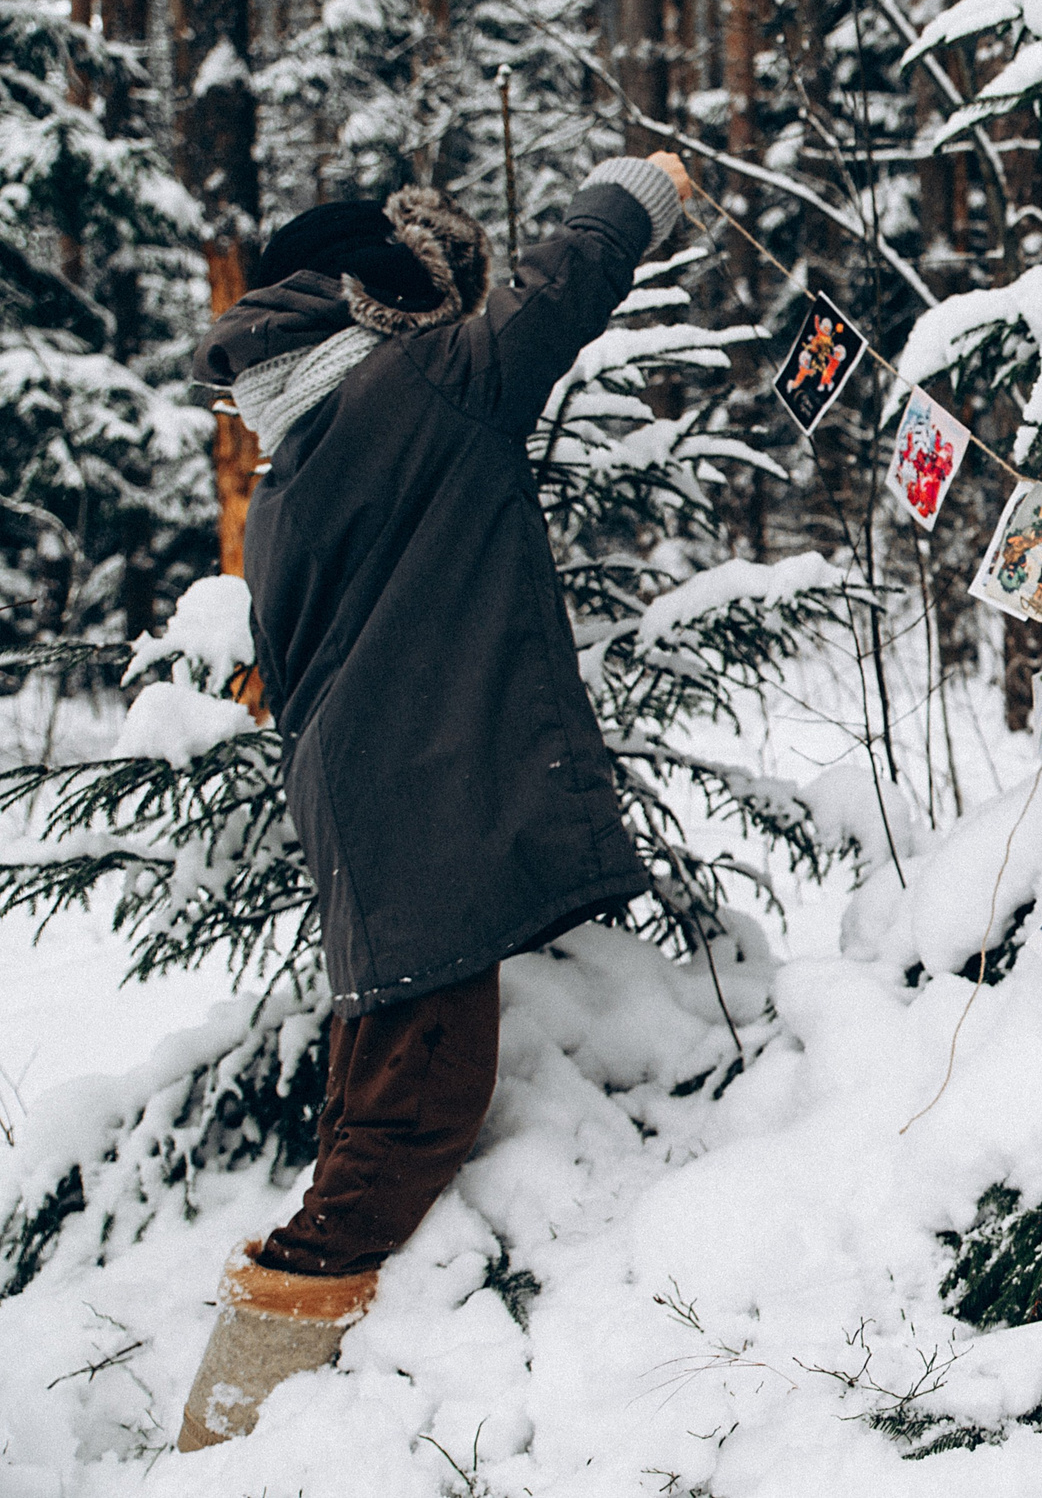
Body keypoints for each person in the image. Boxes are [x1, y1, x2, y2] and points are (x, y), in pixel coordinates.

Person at [174, 150, 695, 1451]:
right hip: (422, 812)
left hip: (367, 814)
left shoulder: (294, 459)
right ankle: (238, 1412)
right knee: (419, 1110)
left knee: (377, 1089)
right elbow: (552, 298)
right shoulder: (425, 385)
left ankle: (300, 1395)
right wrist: (635, 191)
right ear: (375, 295)